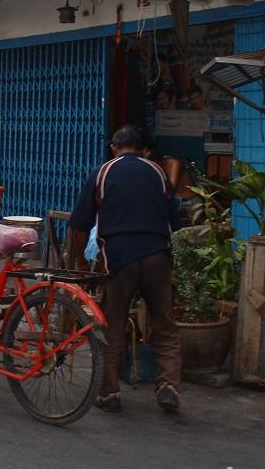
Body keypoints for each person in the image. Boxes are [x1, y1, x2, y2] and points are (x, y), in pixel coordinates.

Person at [69, 124, 182, 413]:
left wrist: (82, 262)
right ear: (143, 148)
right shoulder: (158, 173)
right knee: (164, 323)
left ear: (114, 147)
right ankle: (168, 383)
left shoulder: (103, 173)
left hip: (119, 258)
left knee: (112, 324)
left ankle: (109, 392)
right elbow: (173, 220)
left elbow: (80, 223)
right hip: (157, 254)